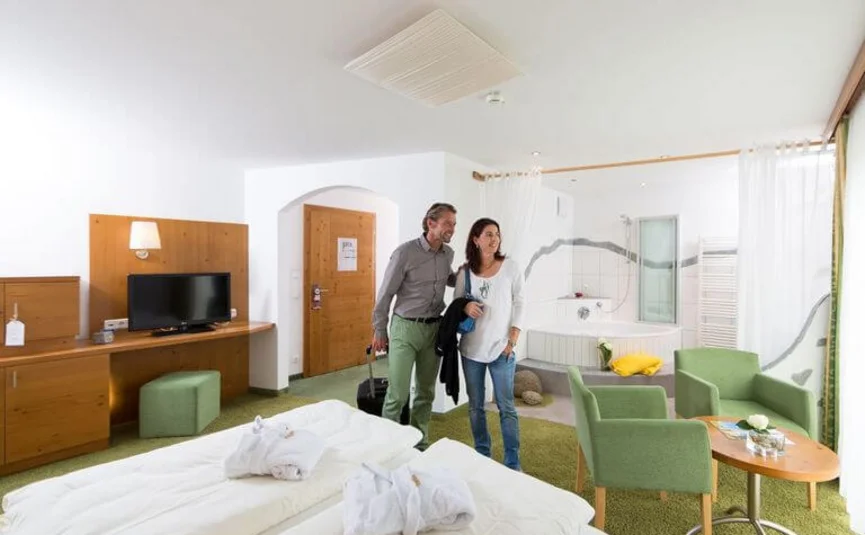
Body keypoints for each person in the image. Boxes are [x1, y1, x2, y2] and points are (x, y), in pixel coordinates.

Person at [371, 202, 457, 450]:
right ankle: (387, 446)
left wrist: (465, 275)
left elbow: (446, 277)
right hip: (404, 329)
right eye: (447, 223)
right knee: (397, 394)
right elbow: (385, 293)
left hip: (434, 330)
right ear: (431, 223)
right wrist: (379, 329)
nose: (452, 228)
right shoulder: (404, 253)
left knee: (425, 393)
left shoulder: (447, 254)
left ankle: (420, 444)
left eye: (454, 224)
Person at [454, 217, 525, 471]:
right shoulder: (464, 273)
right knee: (476, 407)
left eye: (496, 234)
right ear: (475, 239)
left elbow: (520, 302)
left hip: (501, 350)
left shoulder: (511, 267)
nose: (494, 239)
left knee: (507, 408)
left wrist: (513, 339)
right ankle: (482, 456)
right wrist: (465, 305)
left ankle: (512, 463)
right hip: (471, 350)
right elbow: (456, 306)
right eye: (488, 234)